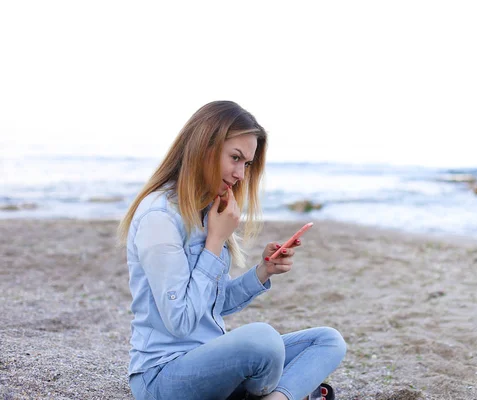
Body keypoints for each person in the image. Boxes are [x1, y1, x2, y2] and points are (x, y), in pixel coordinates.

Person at [117, 101, 346, 400]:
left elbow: (213, 306)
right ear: (204, 147)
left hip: (210, 361)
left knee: (328, 341)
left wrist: (264, 271)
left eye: (247, 164)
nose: (240, 174)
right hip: (162, 377)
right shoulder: (159, 217)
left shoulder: (206, 212)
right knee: (262, 340)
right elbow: (181, 321)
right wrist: (215, 242)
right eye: (235, 158)